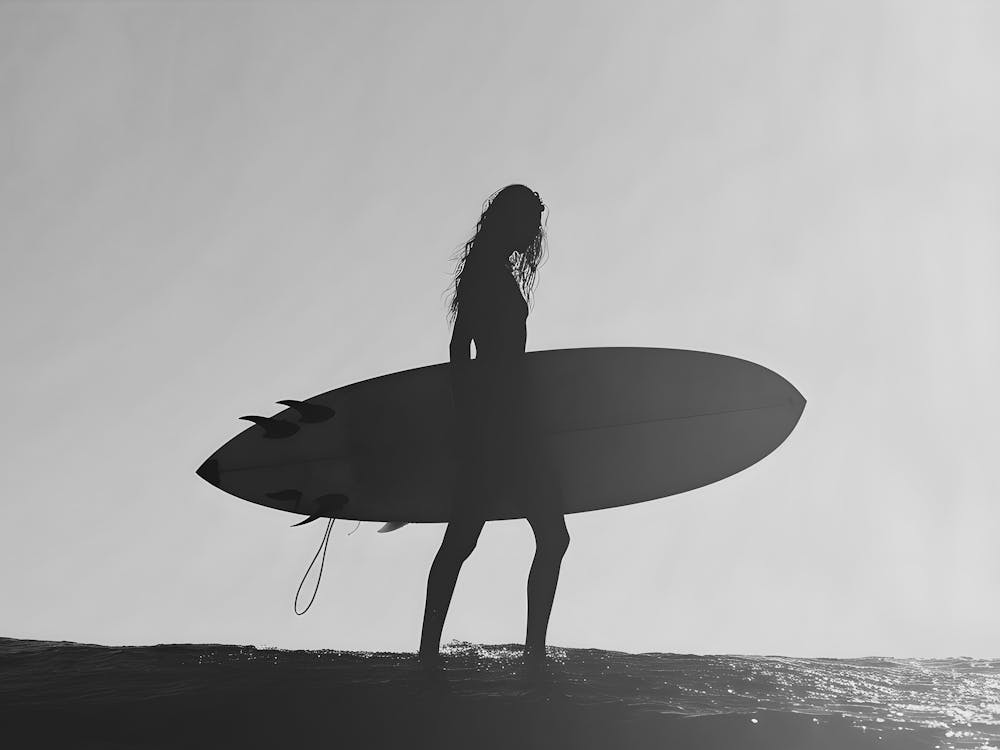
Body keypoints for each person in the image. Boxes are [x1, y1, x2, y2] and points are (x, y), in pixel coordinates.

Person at [418, 184, 570, 672]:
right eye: (528, 220)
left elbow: (465, 350)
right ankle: (528, 654)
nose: (533, 231)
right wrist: (469, 421)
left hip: (506, 421)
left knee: (480, 539)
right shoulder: (487, 271)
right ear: (510, 220)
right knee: (473, 538)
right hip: (500, 425)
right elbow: (461, 348)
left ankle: (440, 652)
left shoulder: (492, 267)